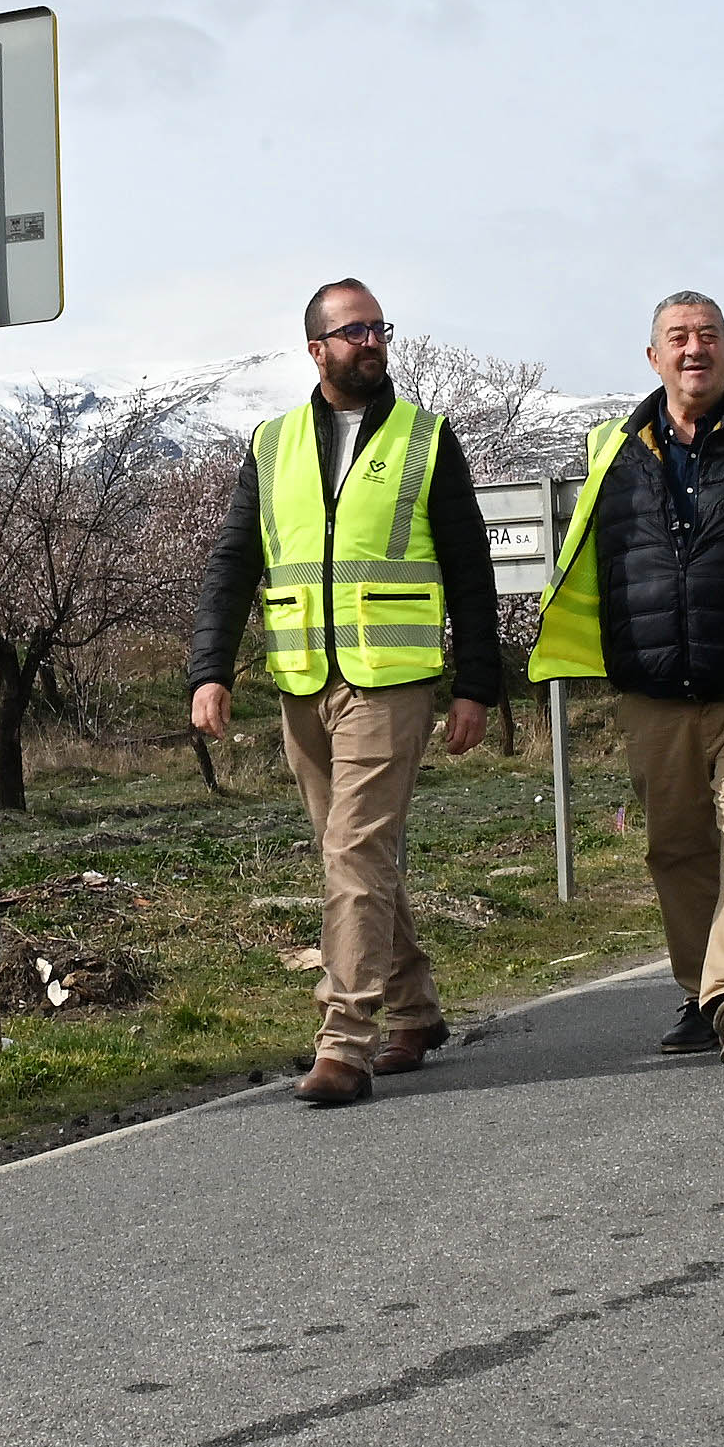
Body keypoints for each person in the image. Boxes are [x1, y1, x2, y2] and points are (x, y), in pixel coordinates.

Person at [190, 278, 503, 1106]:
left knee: (354, 852)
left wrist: (476, 684)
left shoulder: (425, 438)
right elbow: (234, 563)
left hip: (391, 682)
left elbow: (470, 569)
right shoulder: (272, 443)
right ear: (316, 349)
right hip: (302, 681)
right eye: (353, 330)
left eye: (379, 328)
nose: (371, 342)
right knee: (351, 852)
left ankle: (345, 1041)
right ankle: (415, 1010)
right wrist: (209, 669)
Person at [525, 292, 724, 1068]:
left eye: (708, 335)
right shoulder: (610, 449)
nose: (694, 348)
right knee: (675, 848)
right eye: (678, 337)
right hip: (652, 690)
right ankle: (701, 994)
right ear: (653, 358)